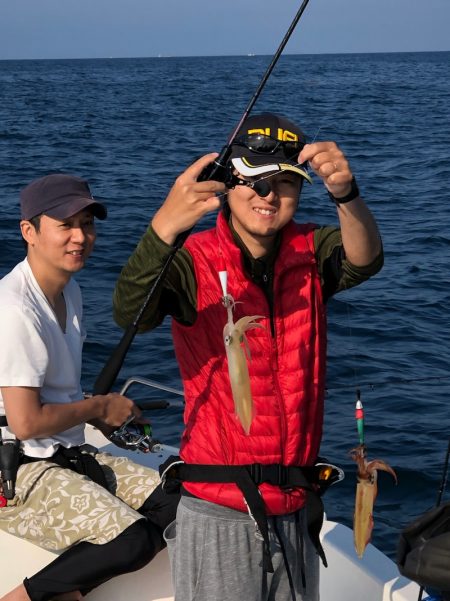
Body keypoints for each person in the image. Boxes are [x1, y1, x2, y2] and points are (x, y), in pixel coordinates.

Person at [113, 113, 384, 601]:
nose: (268, 195)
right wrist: (164, 227)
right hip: (218, 506)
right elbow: (130, 311)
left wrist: (347, 194)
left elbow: (366, 259)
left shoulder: (313, 251)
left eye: (284, 182)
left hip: (297, 507)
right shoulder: (192, 262)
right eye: (253, 180)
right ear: (227, 184)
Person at [0, 174, 179, 601]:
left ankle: (67, 591)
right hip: (15, 471)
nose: (80, 237)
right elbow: (25, 422)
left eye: (87, 223)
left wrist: (108, 411)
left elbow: (52, 397)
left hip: (64, 453)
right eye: (65, 225)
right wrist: (99, 407)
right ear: (29, 231)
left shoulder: (70, 292)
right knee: (133, 540)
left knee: (183, 503)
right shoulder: (15, 310)